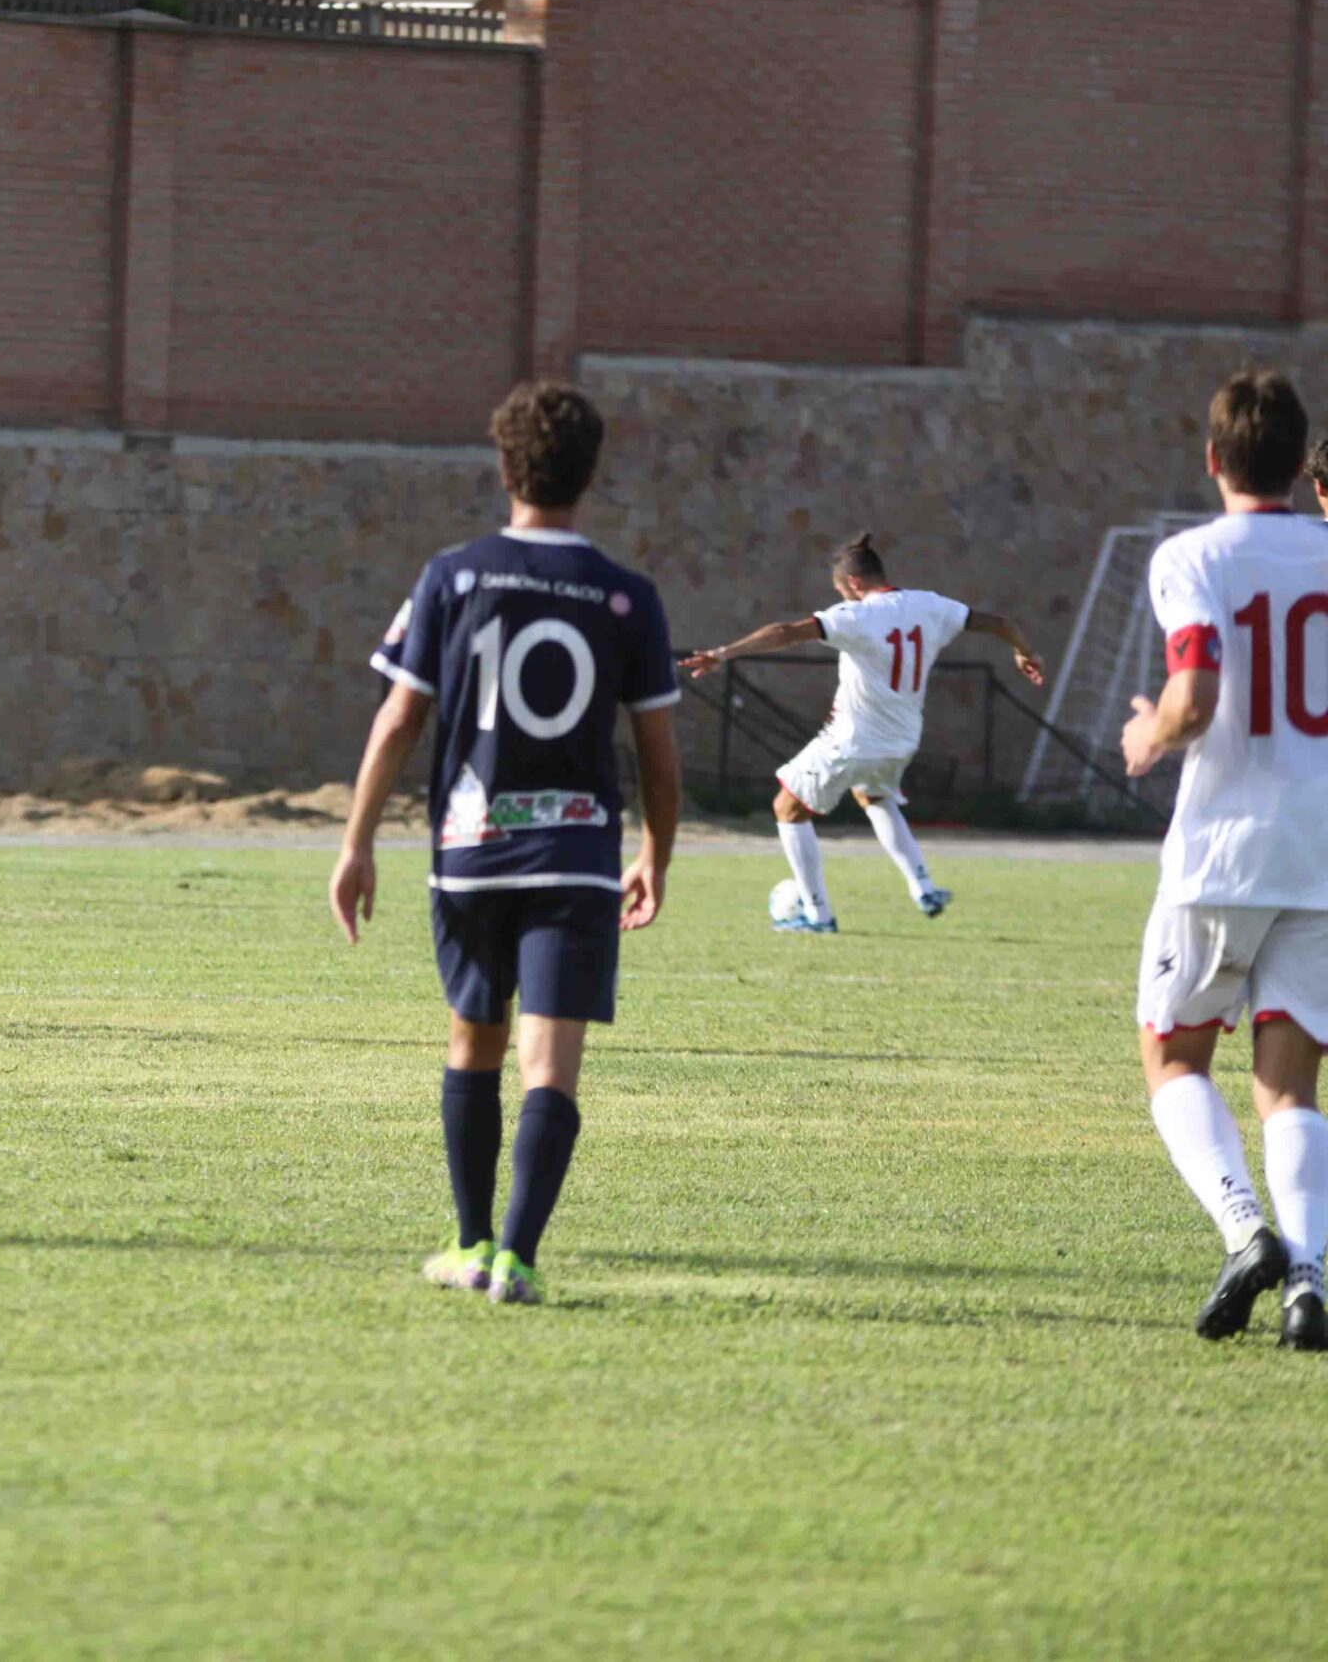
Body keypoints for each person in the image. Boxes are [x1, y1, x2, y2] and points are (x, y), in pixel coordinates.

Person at [332, 381, 683, 1307]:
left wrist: (357, 841)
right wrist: (656, 853)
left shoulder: (453, 576)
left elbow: (399, 718)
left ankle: (470, 1242)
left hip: (470, 853)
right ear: (591, 474)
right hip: (576, 859)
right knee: (549, 1064)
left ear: (502, 468)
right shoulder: (628, 595)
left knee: (472, 1040)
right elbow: (657, 750)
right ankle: (516, 1259)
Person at [1122, 371, 1328, 1348]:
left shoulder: (1192, 555)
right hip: (1321, 852)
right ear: (1297, 463)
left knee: (1172, 1056)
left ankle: (1247, 1231)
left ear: (1212, 460)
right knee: (1289, 1085)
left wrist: (1150, 735)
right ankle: (1309, 1281)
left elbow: (1195, 694)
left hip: (1224, 849)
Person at [682, 538, 1046, 930]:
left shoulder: (858, 615)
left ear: (854, 583)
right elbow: (1002, 624)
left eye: (840, 590)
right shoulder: (931, 605)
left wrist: (723, 653)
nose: (841, 598)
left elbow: (786, 632)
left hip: (854, 738)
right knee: (873, 796)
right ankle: (923, 887)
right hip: (902, 740)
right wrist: (1024, 652)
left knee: (787, 808)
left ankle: (817, 914)